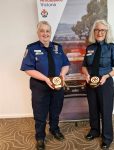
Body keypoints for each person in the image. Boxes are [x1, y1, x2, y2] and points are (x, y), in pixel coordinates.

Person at [20, 21, 70, 150]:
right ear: (38, 33)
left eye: (47, 31)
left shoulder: (58, 48)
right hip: (40, 86)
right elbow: (27, 69)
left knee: (56, 109)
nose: (45, 33)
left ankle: (54, 129)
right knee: (40, 113)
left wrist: (62, 75)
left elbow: (65, 64)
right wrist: (46, 79)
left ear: (50, 33)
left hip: (57, 86)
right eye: (42, 31)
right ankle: (40, 137)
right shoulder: (31, 48)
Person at [82, 20, 114, 149]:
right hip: (90, 83)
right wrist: (86, 75)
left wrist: (106, 76)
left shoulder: (112, 47)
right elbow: (84, 66)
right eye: (97, 30)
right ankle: (94, 131)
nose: (99, 32)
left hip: (105, 83)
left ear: (106, 32)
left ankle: (107, 137)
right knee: (93, 109)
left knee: (105, 111)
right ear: (94, 32)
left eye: (102, 30)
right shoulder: (90, 48)